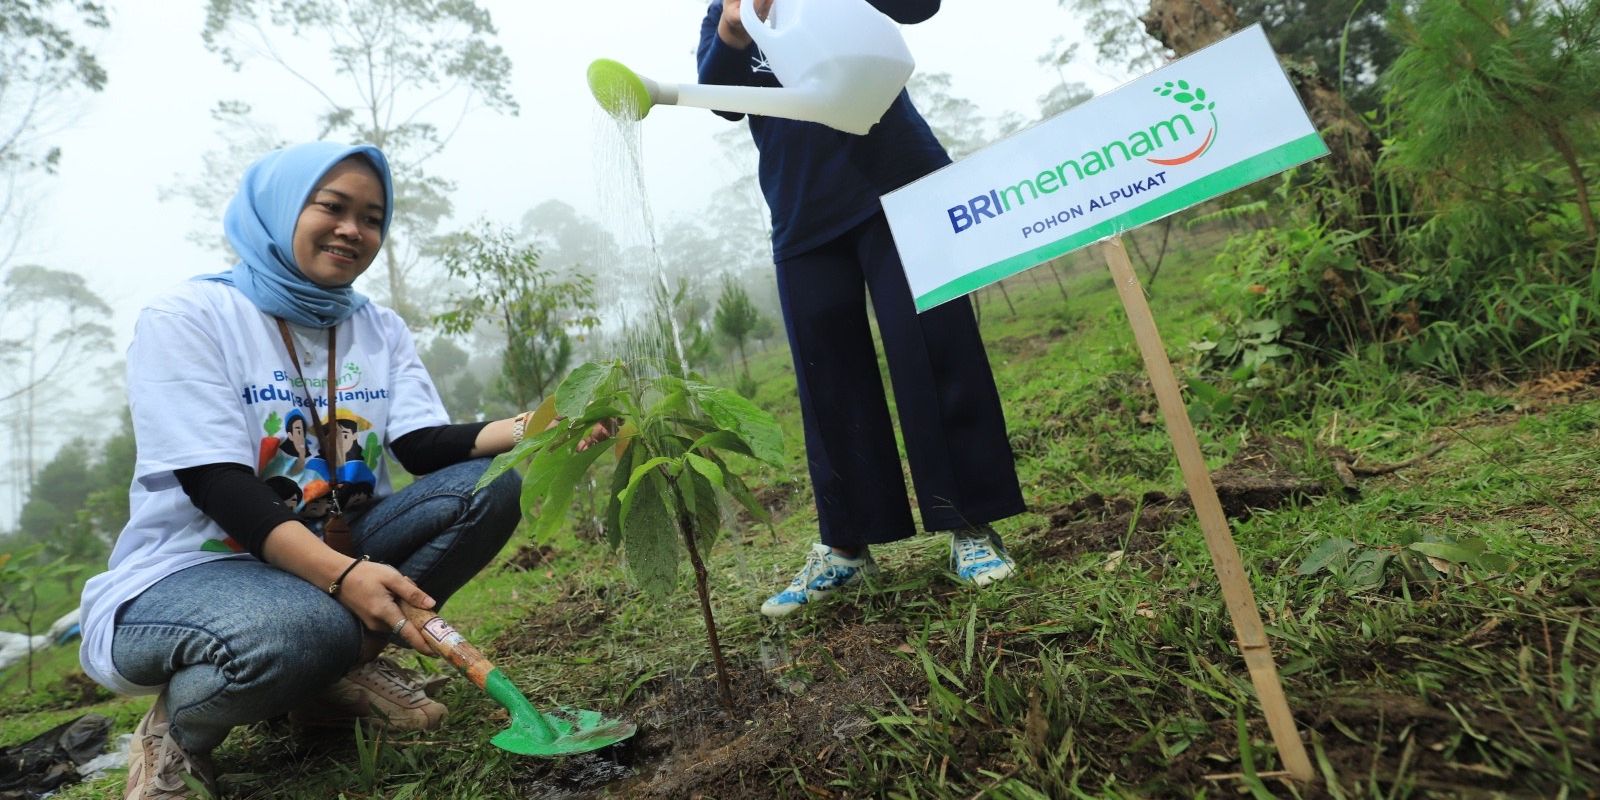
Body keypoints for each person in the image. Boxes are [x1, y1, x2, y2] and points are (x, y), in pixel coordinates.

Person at [77, 142, 610, 799]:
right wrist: (347, 579)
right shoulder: (190, 318)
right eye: (332, 207)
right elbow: (217, 484)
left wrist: (532, 430)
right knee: (306, 626)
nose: (353, 230)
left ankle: (325, 680)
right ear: (279, 210)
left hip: (336, 550)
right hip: (195, 574)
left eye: (372, 217)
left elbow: (418, 445)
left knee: (488, 486)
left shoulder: (375, 327)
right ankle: (177, 734)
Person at [697, 0, 1027, 618]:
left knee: (932, 348)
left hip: (900, 182)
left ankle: (970, 526)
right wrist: (734, 27)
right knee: (828, 379)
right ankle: (847, 546)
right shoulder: (727, 6)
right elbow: (722, 97)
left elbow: (917, 8)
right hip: (801, 212)